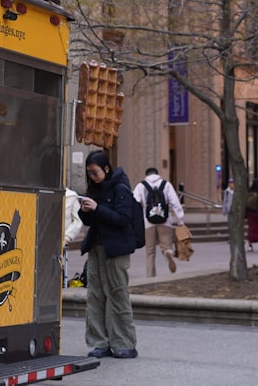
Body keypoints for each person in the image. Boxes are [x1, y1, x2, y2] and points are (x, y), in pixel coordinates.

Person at [77, 150, 138, 359]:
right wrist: (85, 210)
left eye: (95, 172)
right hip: (96, 247)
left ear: (106, 168)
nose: (92, 176)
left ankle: (124, 343)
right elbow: (89, 220)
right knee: (95, 295)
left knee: (117, 294)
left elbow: (123, 219)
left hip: (116, 249)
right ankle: (99, 343)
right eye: (89, 173)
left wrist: (97, 208)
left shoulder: (121, 187)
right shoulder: (94, 189)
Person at [133, 167, 186, 277]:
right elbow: (175, 203)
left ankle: (150, 276)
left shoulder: (141, 186)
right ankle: (168, 253)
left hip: (148, 222)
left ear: (146, 175)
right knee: (166, 246)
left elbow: (134, 203)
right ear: (158, 175)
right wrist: (180, 220)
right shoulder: (166, 185)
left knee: (150, 252)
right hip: (165, 221)